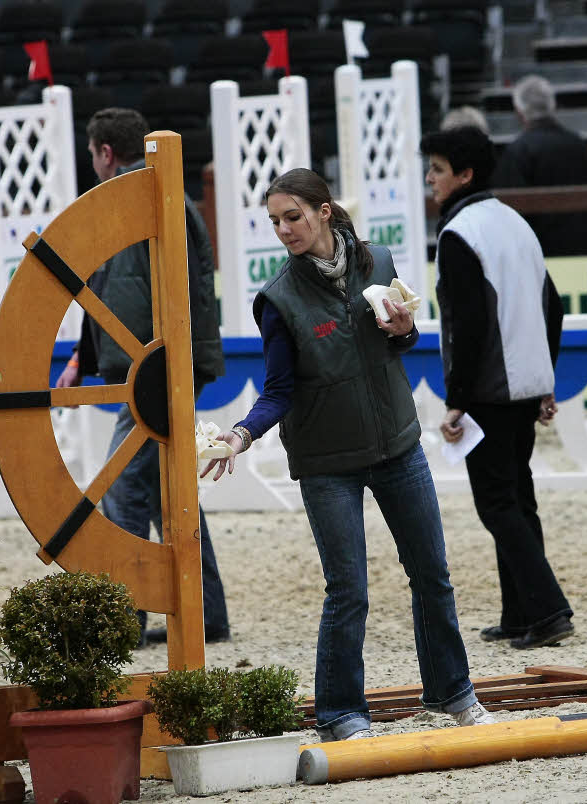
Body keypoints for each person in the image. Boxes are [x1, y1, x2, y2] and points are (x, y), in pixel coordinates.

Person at [200, 167, 496, 741]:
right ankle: (340, 714)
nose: (285, 230)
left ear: (324, 211)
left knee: (432, 574)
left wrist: (407, 331)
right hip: (325, 463)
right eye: (276, 221)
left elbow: (400, 341)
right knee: (349, 590)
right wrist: (241, 434)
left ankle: (452, 693)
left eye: (294, 216)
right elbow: (279, 390)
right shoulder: (278, 299)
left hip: (400, 446)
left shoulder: (379, 262)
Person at [55, 108, 230, 645]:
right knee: (164, 491)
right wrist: (85, 359)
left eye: (92, 156)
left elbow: (120, 296)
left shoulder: (134, 200)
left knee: (127, 492)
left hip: (154, 370)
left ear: (106, 152)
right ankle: (207, 613)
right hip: (168, 364)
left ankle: (125, 619)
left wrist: (118, 365)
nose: (93, 165)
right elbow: (117, 290)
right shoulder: (161, 193)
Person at [420, 125, 574, 649]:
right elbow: (552, 306)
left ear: (464, 175)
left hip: (488, 388)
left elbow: (468, 325)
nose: (430, 179)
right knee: (519, 498)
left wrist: (456, 398)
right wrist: (546, 377)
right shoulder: (515, 222)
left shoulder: (460, 233)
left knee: (498, 504)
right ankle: (520, 613)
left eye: (437, 170)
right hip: (526, 383)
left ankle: (548, 609)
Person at [489, 75, 587, 258]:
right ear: (552, 106)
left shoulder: (518, 151)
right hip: (585, 251)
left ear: (519, 111)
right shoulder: (579, 145)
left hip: (540, 256)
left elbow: (511, 214)